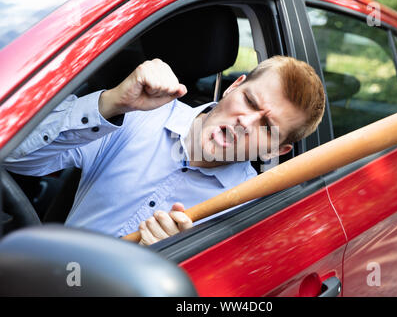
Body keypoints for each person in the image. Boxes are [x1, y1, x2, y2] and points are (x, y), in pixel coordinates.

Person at [3, 55, 325, 245]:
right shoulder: (138, 115)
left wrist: (174, 265)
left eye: (267, 127)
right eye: (250, 101)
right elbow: (15, 155)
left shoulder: (252, 211)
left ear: (278, 150)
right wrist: (110, 102)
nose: (246, 122)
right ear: (234, 86)